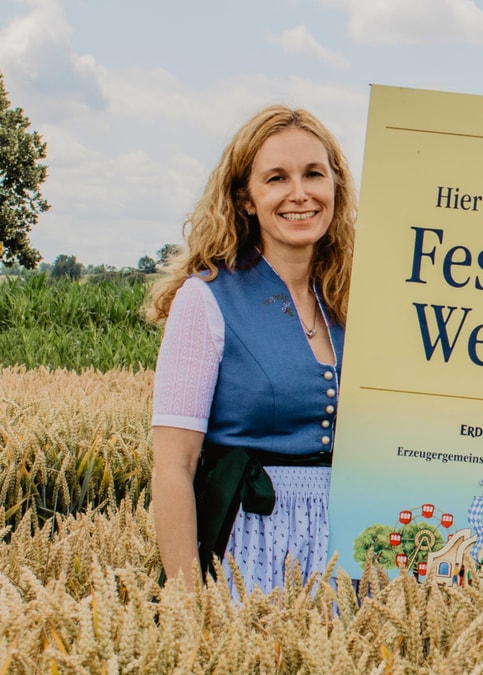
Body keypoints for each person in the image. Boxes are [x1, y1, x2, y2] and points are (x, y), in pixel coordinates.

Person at [146, 105, 356, 591]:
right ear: (245, 198)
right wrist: (186, 603)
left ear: (335, 187)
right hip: (246, 545)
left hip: (342, 553)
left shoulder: (349, 302)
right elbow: (174, 466)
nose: (299, 194)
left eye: (313, 175)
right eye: (277, 178)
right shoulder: (206, 299)